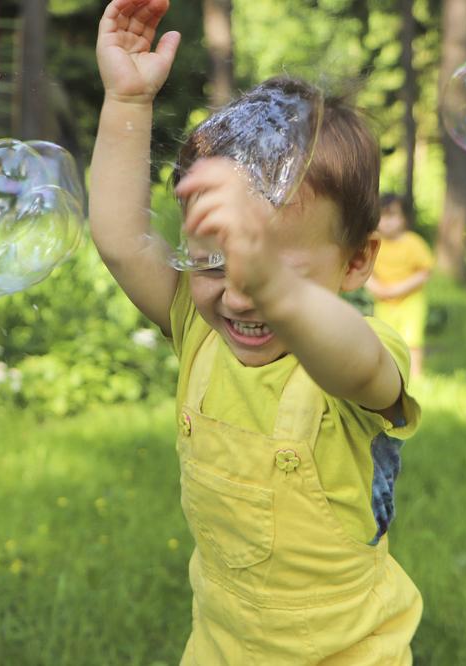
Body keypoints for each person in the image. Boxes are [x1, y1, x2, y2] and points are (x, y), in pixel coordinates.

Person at [91, 1, 423, 662]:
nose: (241, 294)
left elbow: (351, 360)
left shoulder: (355, 356)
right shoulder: (200, 327)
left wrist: (274, 284)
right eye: (213, 261)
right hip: (220, 647)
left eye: (274, 273)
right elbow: (124, 242)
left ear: (357, 261)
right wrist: (127, 100)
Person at [366, 195, 433, 379]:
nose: (387, 222)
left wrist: (398, 289)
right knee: (385, 339)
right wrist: (377, 288)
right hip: (384, 301)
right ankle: (390, 375)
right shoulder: (373, 243)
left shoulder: (412, 242)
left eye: (393, 216)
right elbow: (365, 271)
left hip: (410, 300)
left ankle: (416, 375)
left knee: (412, 340)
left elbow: (424, 272)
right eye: (383, 216)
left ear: (404, 218)